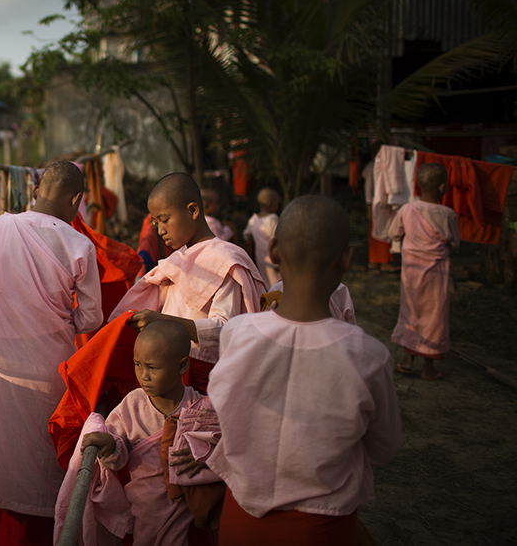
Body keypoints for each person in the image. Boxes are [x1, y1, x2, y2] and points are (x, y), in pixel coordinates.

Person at [205, 196, 402, 545]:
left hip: (240, 519)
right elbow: (383, 449)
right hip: (322, 527)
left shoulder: (237, 334)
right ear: (347, 258)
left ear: (275, 250)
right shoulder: (368, 357)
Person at [0, 160, 103, 546]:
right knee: (51, 453)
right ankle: (57, 524)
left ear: (35, 190)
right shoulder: (79, 243)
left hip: (9, 362)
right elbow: (91, 317)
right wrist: (57, 319)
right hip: (54, 364)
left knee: (12, 449)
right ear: (76, 200)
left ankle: (11, 529)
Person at [112, 173, 266, 393]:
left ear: (193, 210)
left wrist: (164, 322)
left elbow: (226, 327)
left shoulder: (225, 261)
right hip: (170, 373)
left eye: (165, 220)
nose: (160, 230)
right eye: (155, 223)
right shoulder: (177, 260)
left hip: (209, 374)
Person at [81, 320, 206, 545]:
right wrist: (110, 445)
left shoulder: (199, 407)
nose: (143, 375)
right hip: (147, 507)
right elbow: (117, 451)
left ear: (182, 366)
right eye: (137, 365)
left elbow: (219, 447)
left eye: (152, 367)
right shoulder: (133, 404)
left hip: (188, 506)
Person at [389, 163, 459, 380]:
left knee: (410, 311)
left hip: (411, 273)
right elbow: (455, 242)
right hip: (436, 275)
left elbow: (394, 233)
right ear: (441, 188)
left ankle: (407, 361)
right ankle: (428, 368)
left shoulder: (408, 209)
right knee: (434, 316)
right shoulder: (447, 214)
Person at [243, 188, 281, 286]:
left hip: (261, 259)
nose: (278, 207)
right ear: (269, 203)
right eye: (277, 204)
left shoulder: (253, 220)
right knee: (278, 283)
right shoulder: (273, 219)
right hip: (273, 257)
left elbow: (246, 235)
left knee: (267, 283)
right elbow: (276, 238)